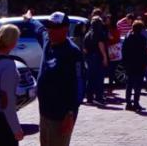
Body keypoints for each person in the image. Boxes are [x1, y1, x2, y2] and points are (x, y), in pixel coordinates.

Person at [37, 12, 84, 146]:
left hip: (61, 116)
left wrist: (70, 114)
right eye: (49, 27)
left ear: (65, 29)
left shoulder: (72, 52)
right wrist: (29, 19)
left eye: (54, 27)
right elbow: (39, 29)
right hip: (44, 113)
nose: (50, 30)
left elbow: (79, 84)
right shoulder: (47, 41)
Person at [121, 20, 147, 111]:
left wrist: (124, 63)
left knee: (129, 84)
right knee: (138, 85)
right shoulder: (142, 39)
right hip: (139, 64)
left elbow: (123, 51)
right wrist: (146, 63)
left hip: (129, 64)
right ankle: (136, 103)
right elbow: (144, 53)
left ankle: (128, 103)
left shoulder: (127, 38)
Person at [82, 15, 108, 106]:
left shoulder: (88, 34)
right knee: (99, 78)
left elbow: (84, 49)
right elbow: (101, 45)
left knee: (90, 78)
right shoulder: (99, 33)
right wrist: (104, 57)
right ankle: (98, 97)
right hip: (97, 57)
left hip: (89, 58)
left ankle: (89, 98)